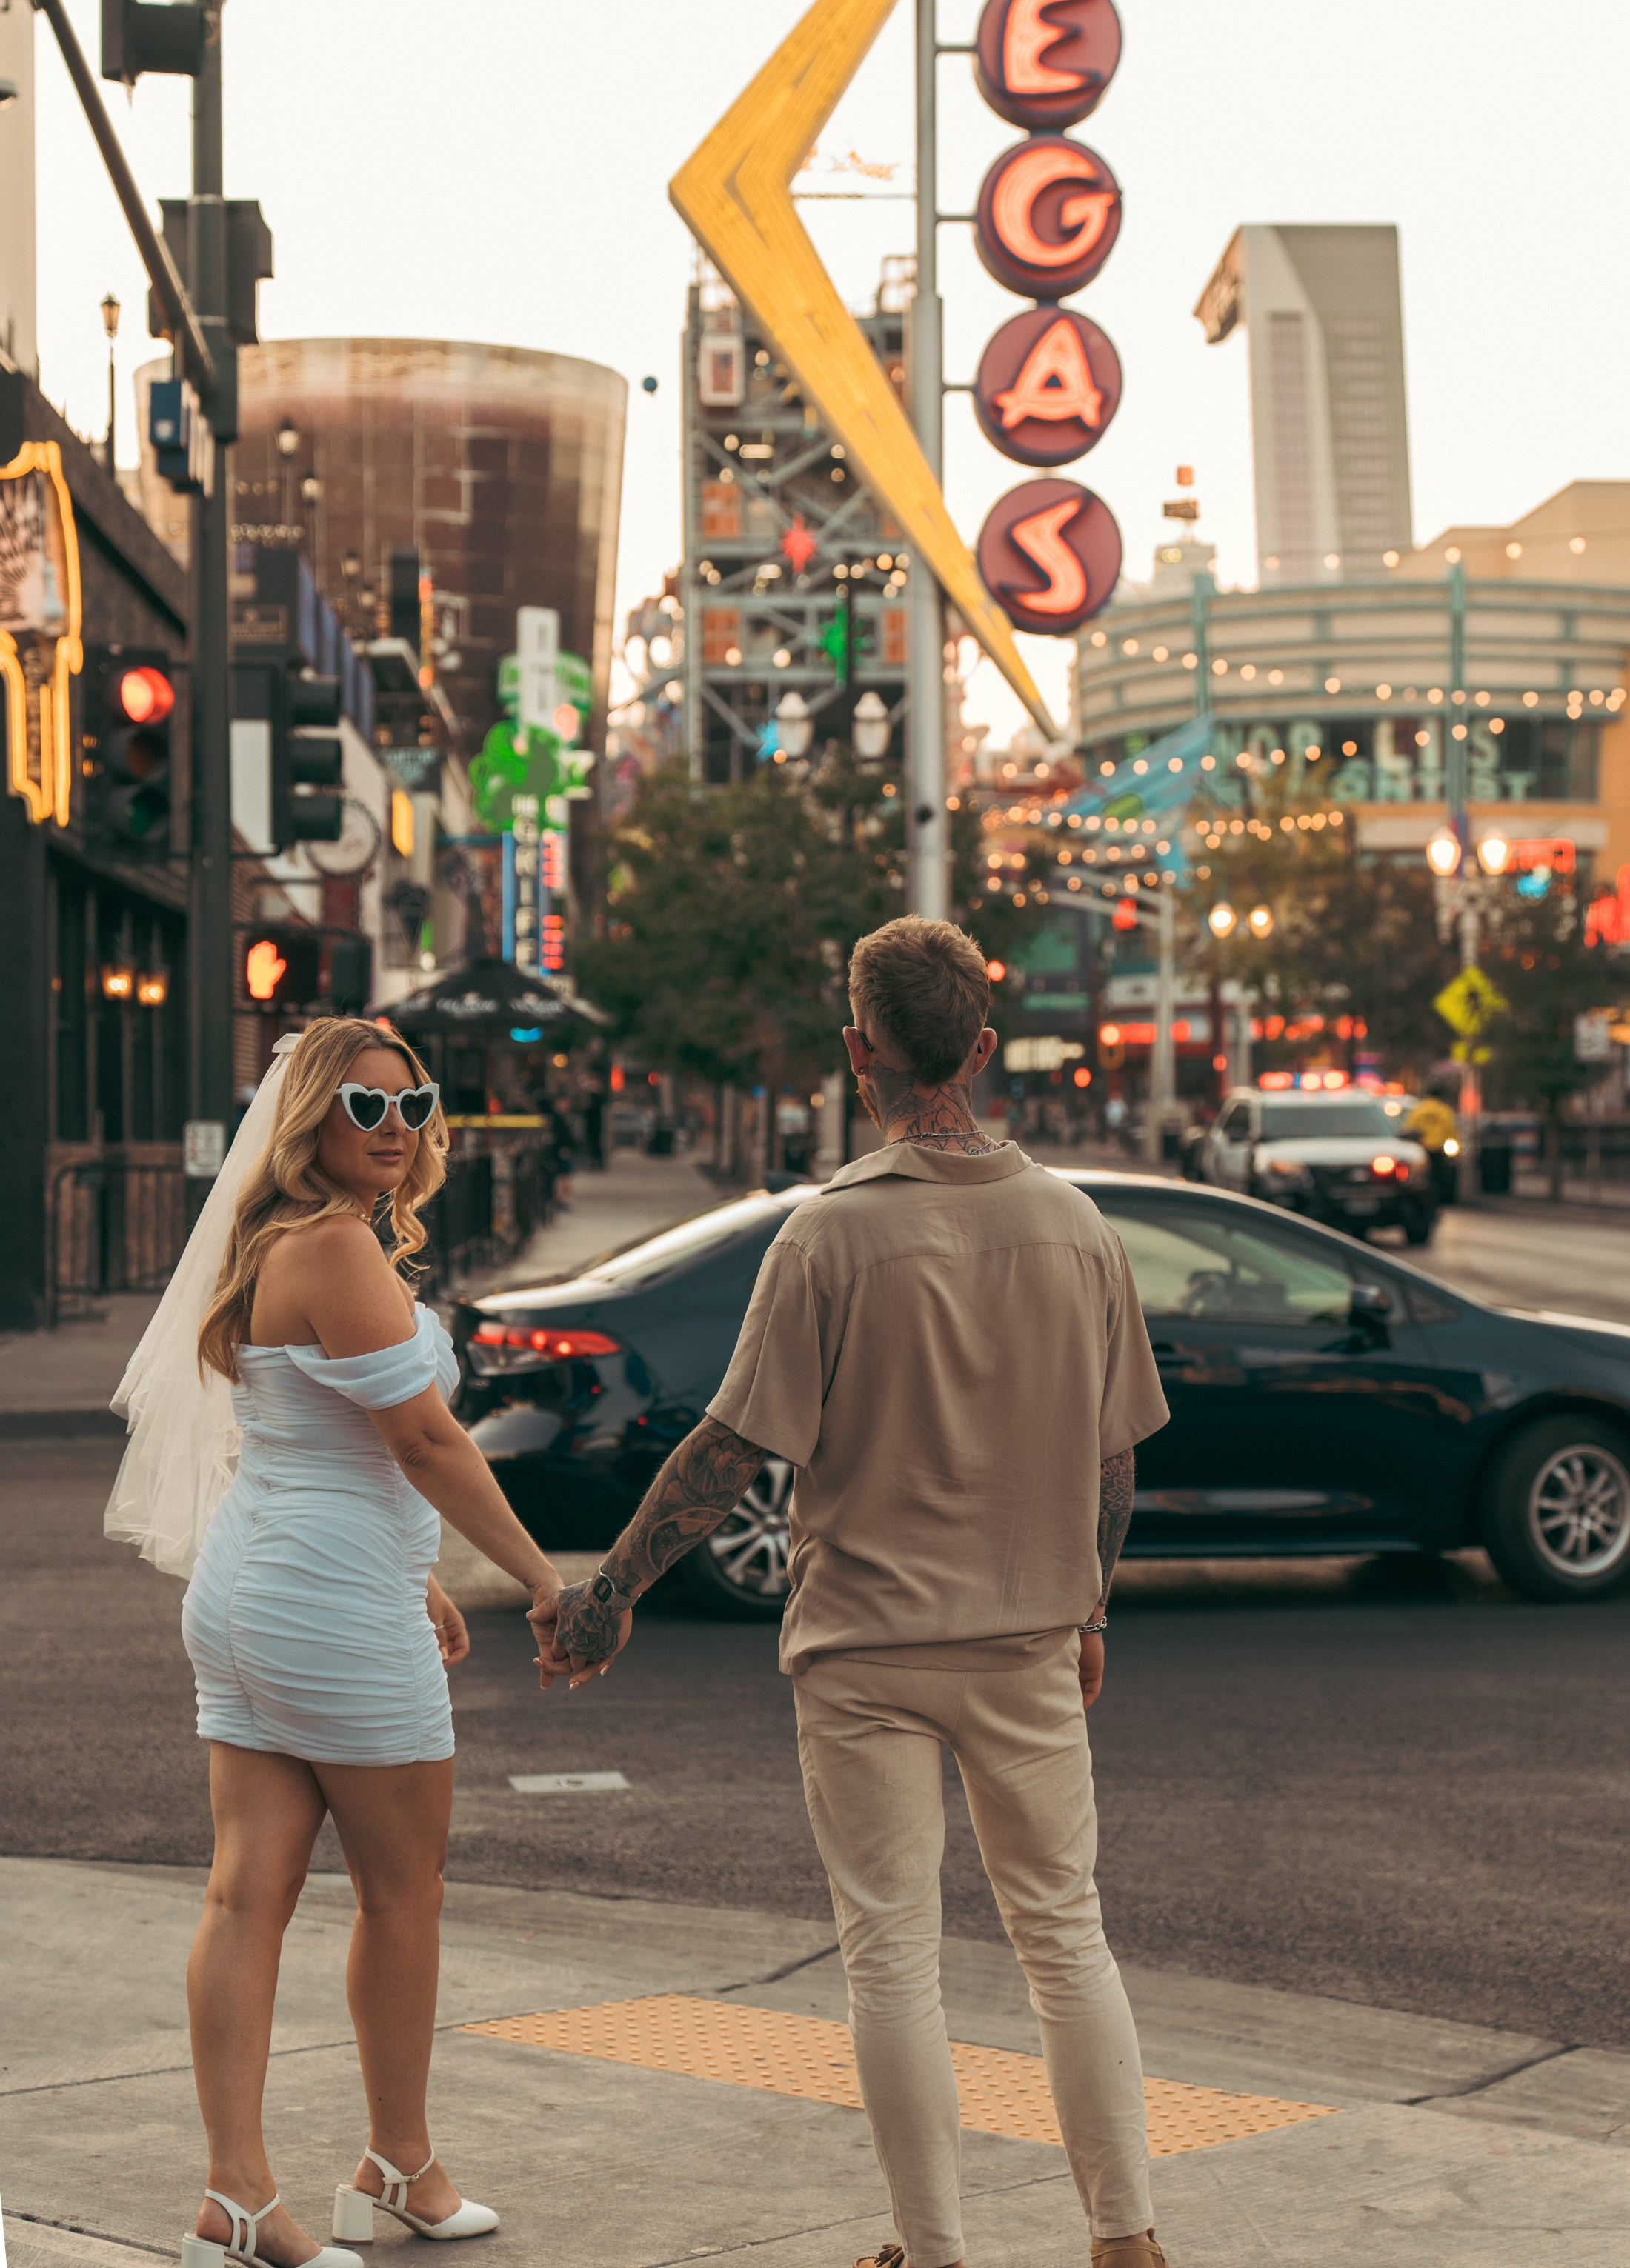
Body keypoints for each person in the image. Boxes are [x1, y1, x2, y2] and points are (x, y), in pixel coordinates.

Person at [544, 917, 1173, 2268]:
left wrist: (610, 1592)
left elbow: (726, 1455)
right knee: (1067, 1938)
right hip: (1026, 1642)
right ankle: (1125, 2238)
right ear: (984, 1049)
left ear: (857, 1052)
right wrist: (1095, 1607)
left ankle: (933, 2251)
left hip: (865, 1651)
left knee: (892, 1954)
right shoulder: (1078, 1229)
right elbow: (1114, 1461)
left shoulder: (825, 1241)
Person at [107, 1019, 570, 2268]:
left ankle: (237, 2199)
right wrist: (540, 1578)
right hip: (327, 1607)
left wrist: (412, 1576)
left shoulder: (277, 1242)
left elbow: (316, 1439)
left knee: (245, 1891)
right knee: (401, 1893)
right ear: (308, 1115)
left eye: (413, 1103)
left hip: (261, 1591)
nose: (398, 1128)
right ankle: (399, 2167)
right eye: (366, 1107)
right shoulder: (333, 1247)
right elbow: (424, 1444)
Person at [1404, 1083, 1460, 1204]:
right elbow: (1451, 1130)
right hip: (1439, 1149)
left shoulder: (1418, 1109)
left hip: (1421, 1149)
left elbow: (1410, 1128)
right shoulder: (1444, 1110)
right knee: (1442, 1176)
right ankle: (1442, 1198)